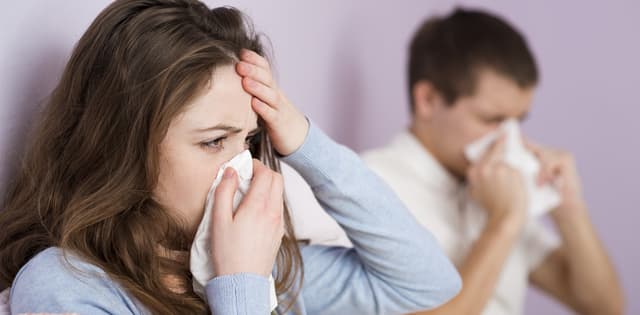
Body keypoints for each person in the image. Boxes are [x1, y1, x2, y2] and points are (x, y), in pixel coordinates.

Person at [0, 1, 461, 314]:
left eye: (249, 140)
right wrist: (241, 289)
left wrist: (302, 140)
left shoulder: (262, 267)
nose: (242, 169)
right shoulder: (65, 287)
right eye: (213, 142)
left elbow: (426, 282)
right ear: (122, 148)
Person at [362, 8, 624, 315]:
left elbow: (605, 306)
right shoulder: (370, 186)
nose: (508, 139)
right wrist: (503, 222)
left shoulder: (492, 188)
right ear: (428, 100)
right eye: (492, 120)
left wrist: (569, 209)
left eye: (518, 121)